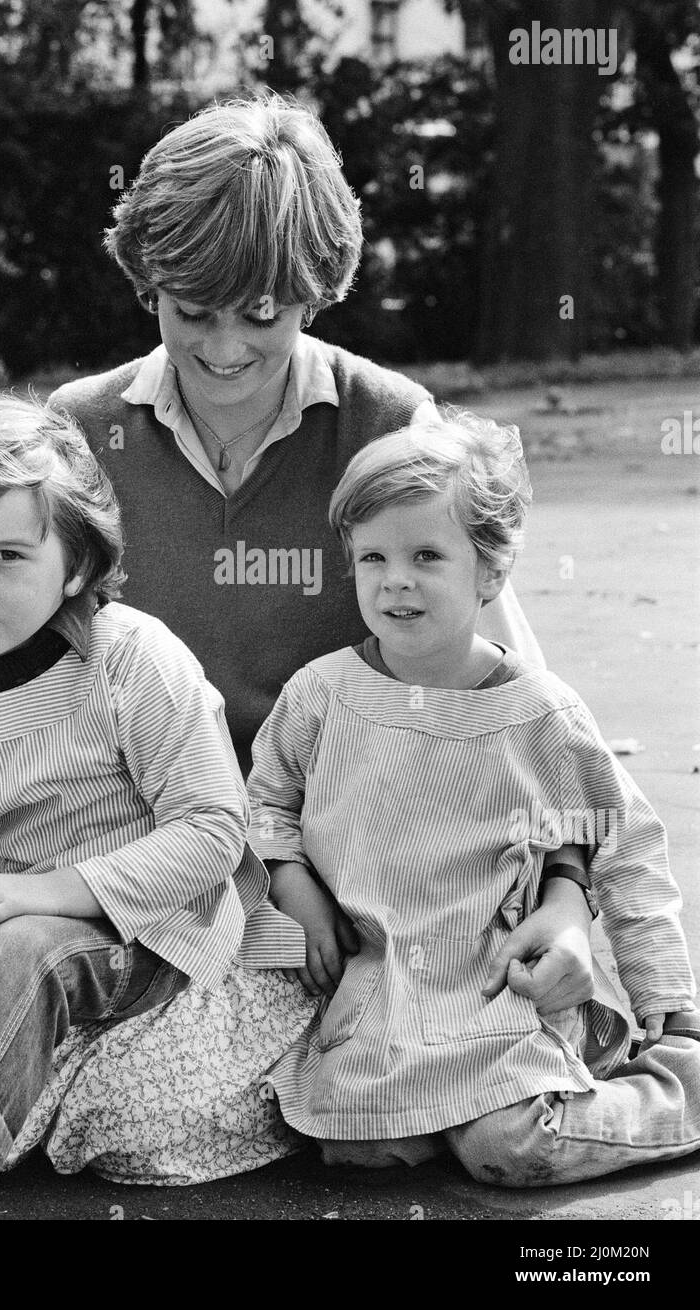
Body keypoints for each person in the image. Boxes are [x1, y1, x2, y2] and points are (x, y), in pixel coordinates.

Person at [49, 92, 596, 1012]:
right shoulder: (80, 434)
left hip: (363, 853)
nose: (223, 350)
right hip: (151, 849)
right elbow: (22, 671)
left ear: (316, 289)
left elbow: (512, 690)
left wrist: (570, 889)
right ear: (147, 284)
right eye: (192, 311)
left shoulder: (389, 424)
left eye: (262, 314)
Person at [0, 397, 312, 1219]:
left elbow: (211, 835)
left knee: (26, 948)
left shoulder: (130, 661)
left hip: (148, 934)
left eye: (9, 555)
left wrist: (50, 892)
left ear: (79, 567)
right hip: (5, 902)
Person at [242, 407, 700, 1184]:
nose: (396, 581)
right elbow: (264, 805)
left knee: (510, 1148)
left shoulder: (539, 711)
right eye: (374, 558)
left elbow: (623, 849)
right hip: (380, 991)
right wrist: (291, 881)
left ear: (490, 571)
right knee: (353, 1146)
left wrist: (672, 1005)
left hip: (497, 992)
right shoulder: (322, 695)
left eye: (428, 555)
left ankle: (680, 1097)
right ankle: (444, 1117)